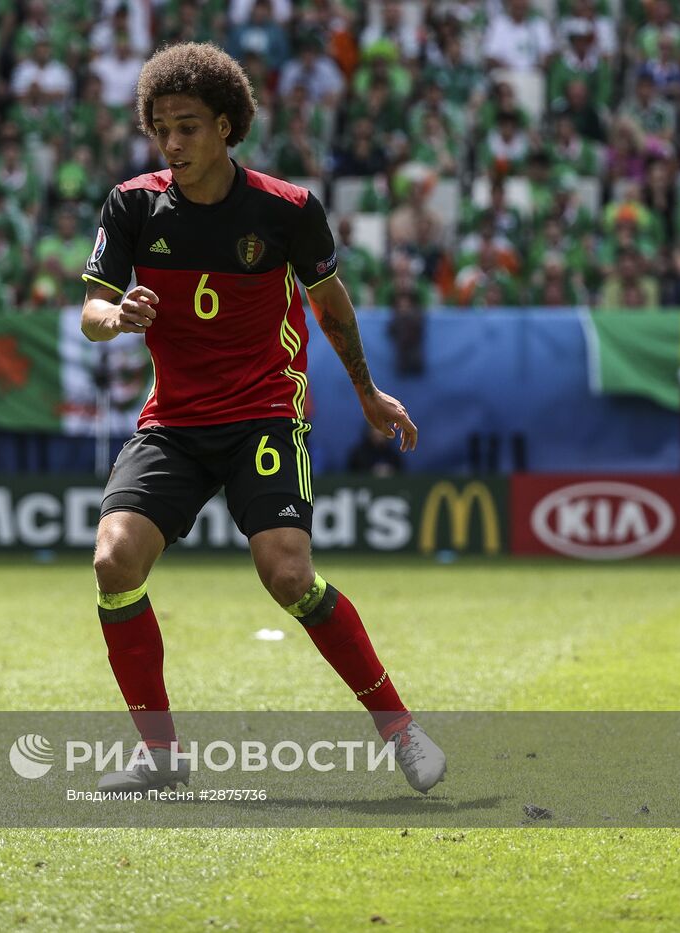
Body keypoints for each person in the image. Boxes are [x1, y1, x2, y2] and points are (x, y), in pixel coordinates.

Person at [79, 42, 444, 795]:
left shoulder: (286, 210)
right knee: (114, 560)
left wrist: (367, 391)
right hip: (174, 423)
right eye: (160, 128)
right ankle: (159, 755)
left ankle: (400, 728)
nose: (172, 143)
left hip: (264, 416)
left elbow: (331, 307)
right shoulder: (134, 204)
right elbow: (89, 311)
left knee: (287, 573)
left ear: (225, 127)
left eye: (187, 127)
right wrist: (116, 315)